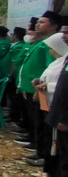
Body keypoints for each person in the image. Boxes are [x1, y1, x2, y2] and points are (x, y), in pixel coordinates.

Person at [17, 11, 62, 157]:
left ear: (53, 26)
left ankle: (41, 151)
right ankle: (34, 141)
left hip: (41, 90)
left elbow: (52, 67)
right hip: (31, 86)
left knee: (41, 122)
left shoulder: (52, 44)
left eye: (42, 22)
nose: (38, 24)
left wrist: (41, 85)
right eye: (38, 22)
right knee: (33, 118)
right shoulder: (40, 42)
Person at [42, 19, 68, 177]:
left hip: (65, 117)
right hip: (58, 112)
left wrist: (65, 118)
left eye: (66, 33)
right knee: (63, 156)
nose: (64, 36)